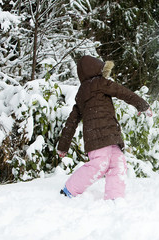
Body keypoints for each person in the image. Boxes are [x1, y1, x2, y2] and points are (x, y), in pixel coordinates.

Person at [57, 55, 152, 201]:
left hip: (110, 135)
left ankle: (115, 198)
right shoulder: (97, 85)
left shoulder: (85, 90)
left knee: (118, 164)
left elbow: (71, 122)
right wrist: (142, 105)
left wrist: (63, 146)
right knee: (100, 164)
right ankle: (70, 189)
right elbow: (122, 92)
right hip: (97, 138)